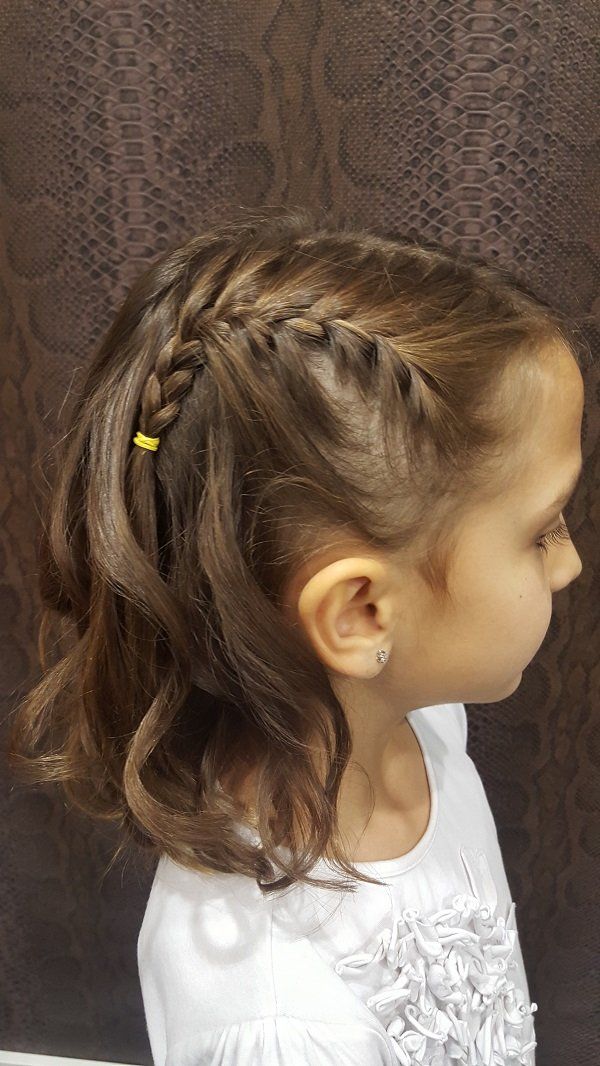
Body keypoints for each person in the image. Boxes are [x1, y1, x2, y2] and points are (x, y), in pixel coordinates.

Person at [7, 206, 588, 1065]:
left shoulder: (422, 720)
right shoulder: (275, 1021)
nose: (569, 562)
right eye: (541, 530)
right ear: (360, 615)